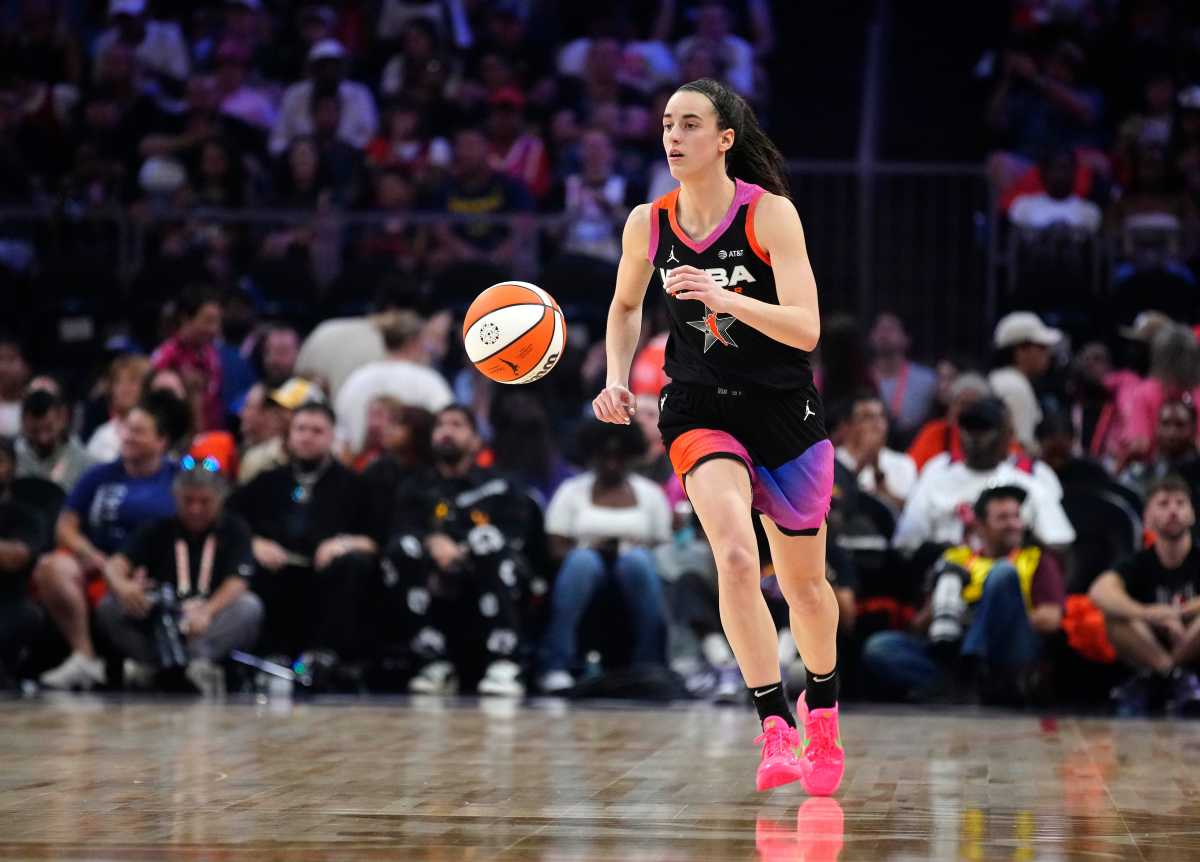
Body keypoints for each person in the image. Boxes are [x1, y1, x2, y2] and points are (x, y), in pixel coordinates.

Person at [591, 78, 841, 795]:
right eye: (668, 123)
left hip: (783, 407)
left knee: (807, 590)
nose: (674, 136)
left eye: (691, 123)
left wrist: (725, 295)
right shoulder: (649, 222)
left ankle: (820, 705)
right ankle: (773, 726)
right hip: (698, 404)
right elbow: (625, 305)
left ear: (724, 139)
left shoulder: (771, 216)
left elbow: (808, 327)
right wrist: (617, 378)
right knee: (734, 555)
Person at [378, 405, 544, 697]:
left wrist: (462, 547)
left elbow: (514, 537)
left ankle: (503, 663)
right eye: (441, 425)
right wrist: (433, 543)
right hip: (434, 574)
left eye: (457, 425)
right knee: (402, 549)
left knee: (487, 540)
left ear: (477, 440)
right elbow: (401, 530)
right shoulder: (414, 486)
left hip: (492, 571)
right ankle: (433, 662)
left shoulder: (499, 485)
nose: (446, 431)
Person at [863, 486, 1066, 704]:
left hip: (1008, 651)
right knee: (881, 646)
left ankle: (969, 674)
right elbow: (918, 626)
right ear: (979, 527)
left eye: (1016, 516)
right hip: (954, 649)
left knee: (1003, 573)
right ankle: (958, 688)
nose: (1013, 524)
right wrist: (941, 610)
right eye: (1002, 518)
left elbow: (1051, 619)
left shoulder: (1036, 559)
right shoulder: (955, 559)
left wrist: (988, 618)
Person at [34, 402, 177, 690]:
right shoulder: (99, 476)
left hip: (152, 570)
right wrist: (93, 555)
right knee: (50, 567)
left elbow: (191, 529)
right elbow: (65, 526)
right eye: (126, 430)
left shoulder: (175, 477)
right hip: (100, 563)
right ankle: (85, 657)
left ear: (161, 441)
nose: (128, 437)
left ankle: (151, 662)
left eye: (139, 431)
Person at [227, 402, 377, 673]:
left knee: (353, 565)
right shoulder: (268, 480)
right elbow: (229, 520)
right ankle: (268, 655)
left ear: (332, 436)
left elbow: (377, 537)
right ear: (290, 434)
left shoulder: (355, 485)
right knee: (250, 562)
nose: (307, 437)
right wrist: (255, 542)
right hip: (278, 571)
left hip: (326, 574)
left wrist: (343, 544)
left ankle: (326, 656)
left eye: (317, 431)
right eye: (300, 429)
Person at [95, 457, 263, 695]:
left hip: (207, 620)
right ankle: (150, 665)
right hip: (162, 618)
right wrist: (124, 587)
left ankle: (196, 664)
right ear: (175, 499)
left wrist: (207, 611)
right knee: (109, 605)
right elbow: (114, 565)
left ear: (219, 500)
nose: (195, 509)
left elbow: (238, 580)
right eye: (188, 501)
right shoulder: (157, 529)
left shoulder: (235, 529)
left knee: (248, 606)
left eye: (204, 502)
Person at [539, 421, 671, 693]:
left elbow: (664, 547)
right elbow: (555, 547)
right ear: (592, 456)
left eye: (619, 456)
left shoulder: (650, 494)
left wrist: (628, 549)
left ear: (630, 456)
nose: (612, 463)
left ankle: (650, 664)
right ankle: (556, 664)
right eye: (604, 456)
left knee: (637, 561)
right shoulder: (571, 491)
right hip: (586, 569)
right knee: (582, 562)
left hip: (637, 570)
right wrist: (594, 549)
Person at [894, 397, 1075, 559]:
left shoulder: (1026, 485)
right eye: (969, 429)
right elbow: (906, 543)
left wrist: (1022, 543)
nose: (975, 438)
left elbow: (1059, 540)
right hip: (946, 573)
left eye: (984, 430)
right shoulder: (936, 479)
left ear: (1005, 437)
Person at [1089, 475, 1200, 716]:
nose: (1173, 511)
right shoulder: (1139, 562)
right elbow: (1099, 591)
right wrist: (1149, 613)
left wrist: (1183, 611)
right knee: (1116, 617)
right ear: (1147, 518)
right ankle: (1173, 676)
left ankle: (1164, 677)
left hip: (1191, 641)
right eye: (1163, 504)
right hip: (1150, 647)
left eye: (1180, 503)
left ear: (1192, 514)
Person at [334, 310, 454, 455]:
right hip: (414, 470)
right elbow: (447, 427)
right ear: (414, 341)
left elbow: (341, 440)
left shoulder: (356, 379)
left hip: (358, 469)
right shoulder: (429, 381)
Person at [0, 436, 49, 689]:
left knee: (25, 616)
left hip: (10, 601)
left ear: (12, 467)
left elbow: (15, 557)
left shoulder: (26, 515)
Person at [150, 286, 225, 432]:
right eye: (208, 321)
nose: (214, 329)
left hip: (209, 442)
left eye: (217, 322)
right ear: (185, 318)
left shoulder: (212, 354)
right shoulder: (165, 357)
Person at [989, 311, 1063, 454]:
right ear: (1020, 350)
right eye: (1041, 347)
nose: (1047, 353)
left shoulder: (1001, 379)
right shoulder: (1015, 387)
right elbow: (1020, 448)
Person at [834, 391, 918, 510]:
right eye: (867, 417)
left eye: (882, 416)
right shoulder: (829, 461)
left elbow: (906, 514)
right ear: (846, 426)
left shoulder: (903, 463)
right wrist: (860, 465)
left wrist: (878, 475)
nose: (877, 423)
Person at [868, 313, 938, 445]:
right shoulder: (863, 378)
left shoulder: (928, 380)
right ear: (871, 337)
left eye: (891, 329)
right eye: (880, 328)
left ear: (906, 338)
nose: (884, 334)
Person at [15, 388, 95, 491]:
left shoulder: (85, 462)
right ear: (23, 423)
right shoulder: (13, 457)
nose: (43, 438)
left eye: (49, 429)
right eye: (34, 431)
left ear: (62, 418)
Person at [87, 355, 152, 463]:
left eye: (132, 381)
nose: (124, 388)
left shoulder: (154, 436)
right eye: (118, 381)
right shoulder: (101, 436)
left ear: (145, 388)